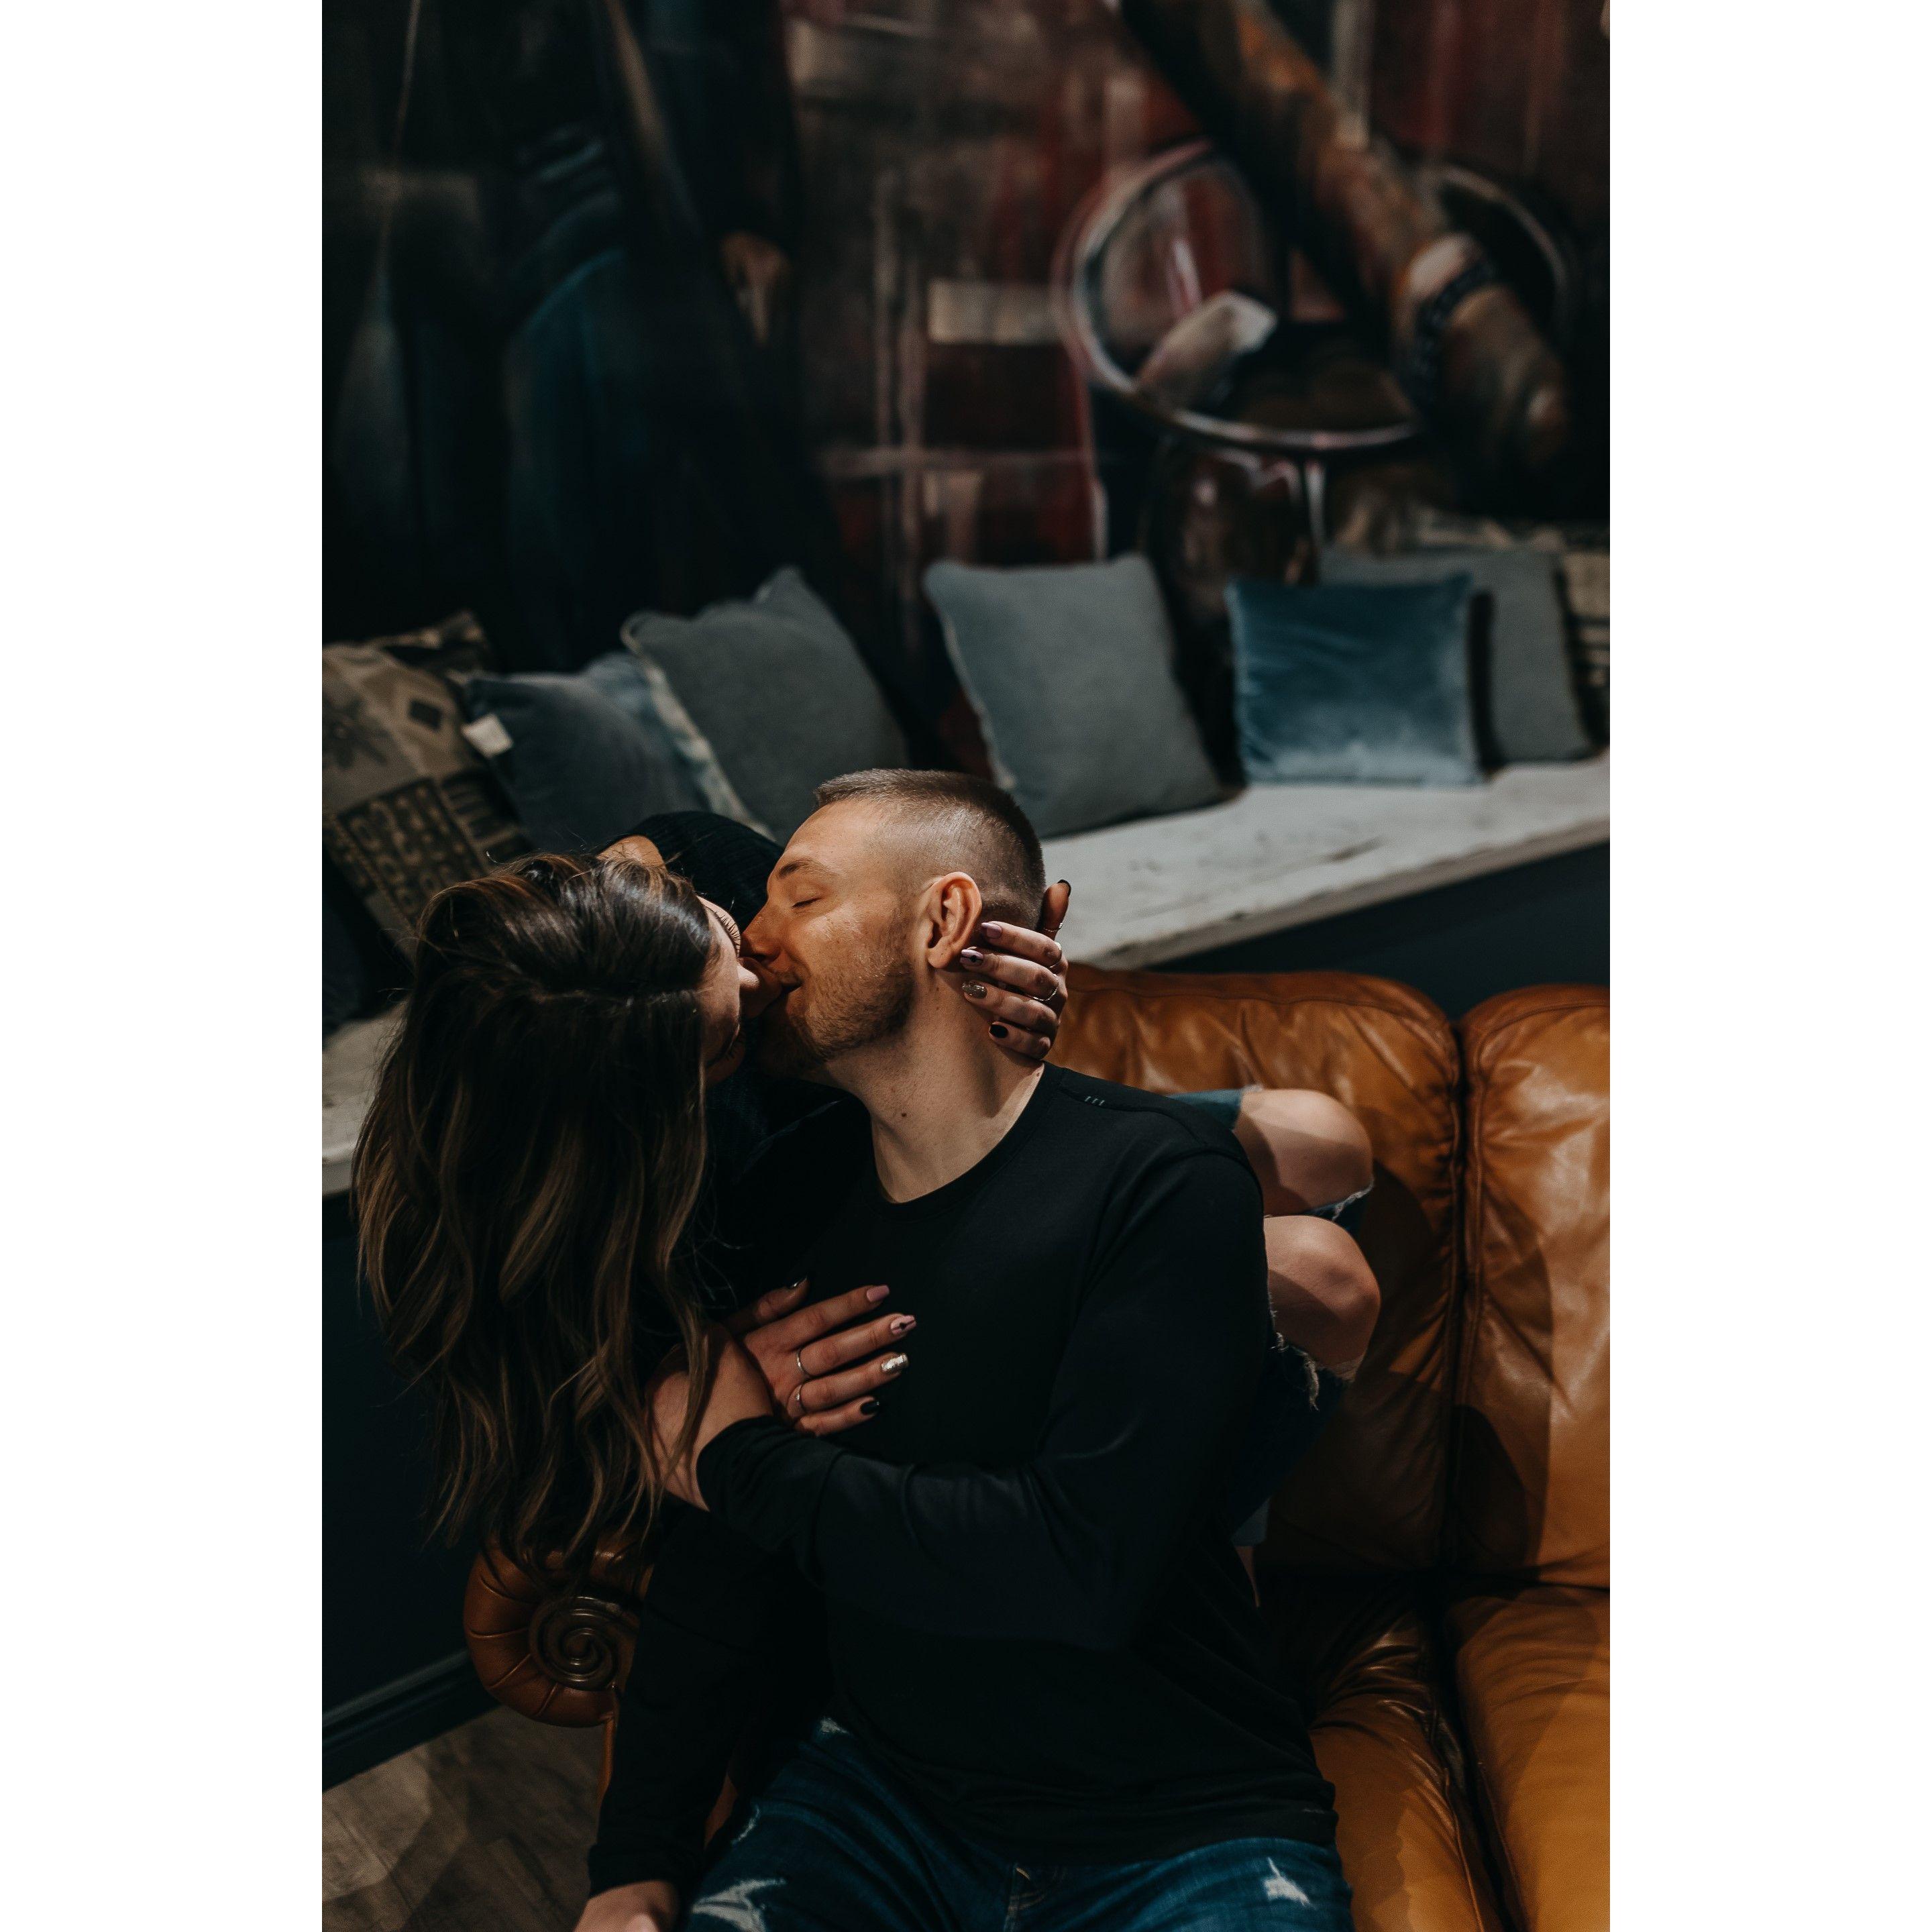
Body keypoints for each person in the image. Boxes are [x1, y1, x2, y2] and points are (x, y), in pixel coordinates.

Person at [606, 771, 1366, 1931]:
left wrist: (739, 1457)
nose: (753, 944)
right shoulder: (782, 1196)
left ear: (948, 918)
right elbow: (723, 1568)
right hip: (872, 1798)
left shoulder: (1161, 1185)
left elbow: (1077, 1568)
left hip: (1179, 1822)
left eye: (798, 899)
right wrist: (636, 1861)